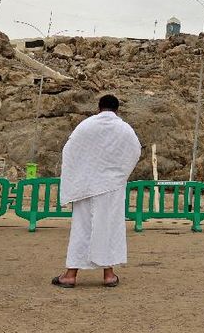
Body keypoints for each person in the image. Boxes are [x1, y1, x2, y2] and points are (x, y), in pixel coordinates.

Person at [52, 94, 141, 288]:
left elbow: (69, 151)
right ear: (117, 109)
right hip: (111, 189)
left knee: (81, 228)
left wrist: (78, 178)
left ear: (98, 107)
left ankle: (70, 275)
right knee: (108, 227)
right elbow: (135, 152)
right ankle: (109, 275)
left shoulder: (86, 126)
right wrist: (118, 176)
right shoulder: (124, 129)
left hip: (86, 187)